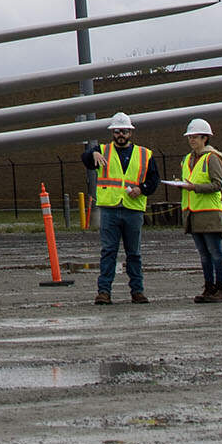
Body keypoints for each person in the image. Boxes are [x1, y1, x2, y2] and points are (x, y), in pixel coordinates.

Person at [82, 114, 153, 304]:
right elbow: (86, 158)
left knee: (134, 254)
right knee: (108, 252)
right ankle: (104, 292)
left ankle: (137, 291)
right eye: (117, 131)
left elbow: (153, 180)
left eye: (124, 131)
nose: (121, 134)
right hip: (110, 209)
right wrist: (92, 153)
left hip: (133, 209)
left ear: (130, 132)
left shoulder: (145, 154)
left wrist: (142, 189)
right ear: (112, 133)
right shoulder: (102, 151)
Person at [176, 119, 222, 301]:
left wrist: (195, 187)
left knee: (215, 253)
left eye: (195, 136)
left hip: (209, 213)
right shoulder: (187, 159)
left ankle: (221, 289)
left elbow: (219, 184)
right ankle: (209, 288)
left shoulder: (211, 158)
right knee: (204, 255)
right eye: (190, 136)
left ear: (205, 138)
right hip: (192, 212)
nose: (191, 140)